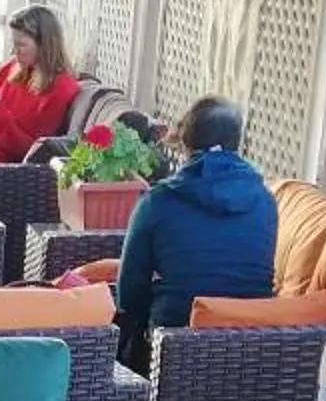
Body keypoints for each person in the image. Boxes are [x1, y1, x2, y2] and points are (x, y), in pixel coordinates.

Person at [109, 97, 276, 377]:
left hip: (174, 346)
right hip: (252, 349)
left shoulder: (158, 201)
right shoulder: (265, 200)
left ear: (185, 144)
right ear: (239, 143)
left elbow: (129, 293)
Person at [0, 6, 83, 168]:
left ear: (44, 45)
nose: (14, 51)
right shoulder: (11, 69)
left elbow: (29, 152)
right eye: (13, 43)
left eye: (20, 45)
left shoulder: (60, 87)